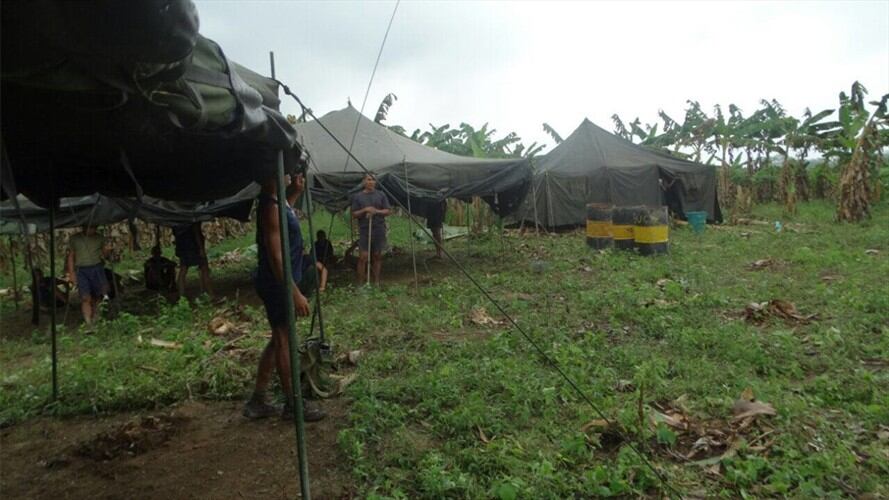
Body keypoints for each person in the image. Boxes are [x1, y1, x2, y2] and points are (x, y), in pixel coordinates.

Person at [244, 171, 325, 422]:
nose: (289, 175)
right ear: (270, 178)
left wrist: (297, 191)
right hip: (278, 284)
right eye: (284, 173)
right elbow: (276, 258)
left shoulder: (279, 203)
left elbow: (287, 210)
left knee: (278, 338)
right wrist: (295, 292)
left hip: (281, 282)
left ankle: (258, 399)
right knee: (285, 339)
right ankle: (293, 405)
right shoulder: (270, 208)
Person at [351, 173, 391, 285]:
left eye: (373, 180)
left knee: (377, 255)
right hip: (364, 229)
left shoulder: (381, 195)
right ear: (364, 181)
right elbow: (354, 214)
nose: (371, 182)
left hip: (378, 228)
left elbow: (388, 210)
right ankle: (360, 283)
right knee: (363, 257)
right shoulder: (358, 196)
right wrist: (365, 210)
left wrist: (376, 211)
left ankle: (376, 282)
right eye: (369, 179)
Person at [66, 224, 110, 325]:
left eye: (94, 228)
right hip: (81, 270)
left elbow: (105, 255)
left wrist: (107, 251)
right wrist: (71, 273)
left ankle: (97, 317)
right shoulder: (75, 239)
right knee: (85, 297)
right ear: (84, 227)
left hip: (97, 267)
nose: (92, 230)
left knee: (99, 295)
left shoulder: (99, 238)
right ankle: (88, 322)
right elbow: (71, 256)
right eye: (90, 228)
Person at [173, 222, 213, 296]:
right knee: (204, 269)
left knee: (183, 270)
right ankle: (210, 294)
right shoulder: (193, 218)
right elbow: (196, 233)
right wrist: (201, 248)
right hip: (194, 247)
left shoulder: (176, 219)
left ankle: (181, 296)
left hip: (182, 247)